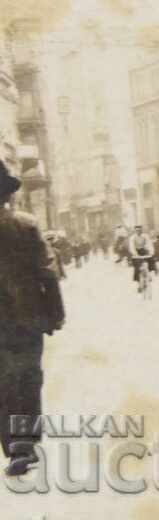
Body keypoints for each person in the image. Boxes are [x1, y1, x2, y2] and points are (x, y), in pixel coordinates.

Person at [0, 161, 65, 477]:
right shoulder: (26, 225)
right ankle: (27, 445)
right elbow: (47, 272)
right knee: (29, 378)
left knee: (3, 383)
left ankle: (14, 449)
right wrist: (55, 313)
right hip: (27, 316)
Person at [128, 225, 155, 292]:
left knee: (151, 260)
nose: (138, 232)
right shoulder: (132, 238)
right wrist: (134, 254)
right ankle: (139, 285)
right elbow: (131, 247)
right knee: (137, 268)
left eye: (140, 230)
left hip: (144, 250)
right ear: (135, 231)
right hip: (136, 252)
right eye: (137, 230)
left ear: (142, 230)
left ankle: (149, 274)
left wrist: (151, 252)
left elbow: (149, 244)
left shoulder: (145, 236)